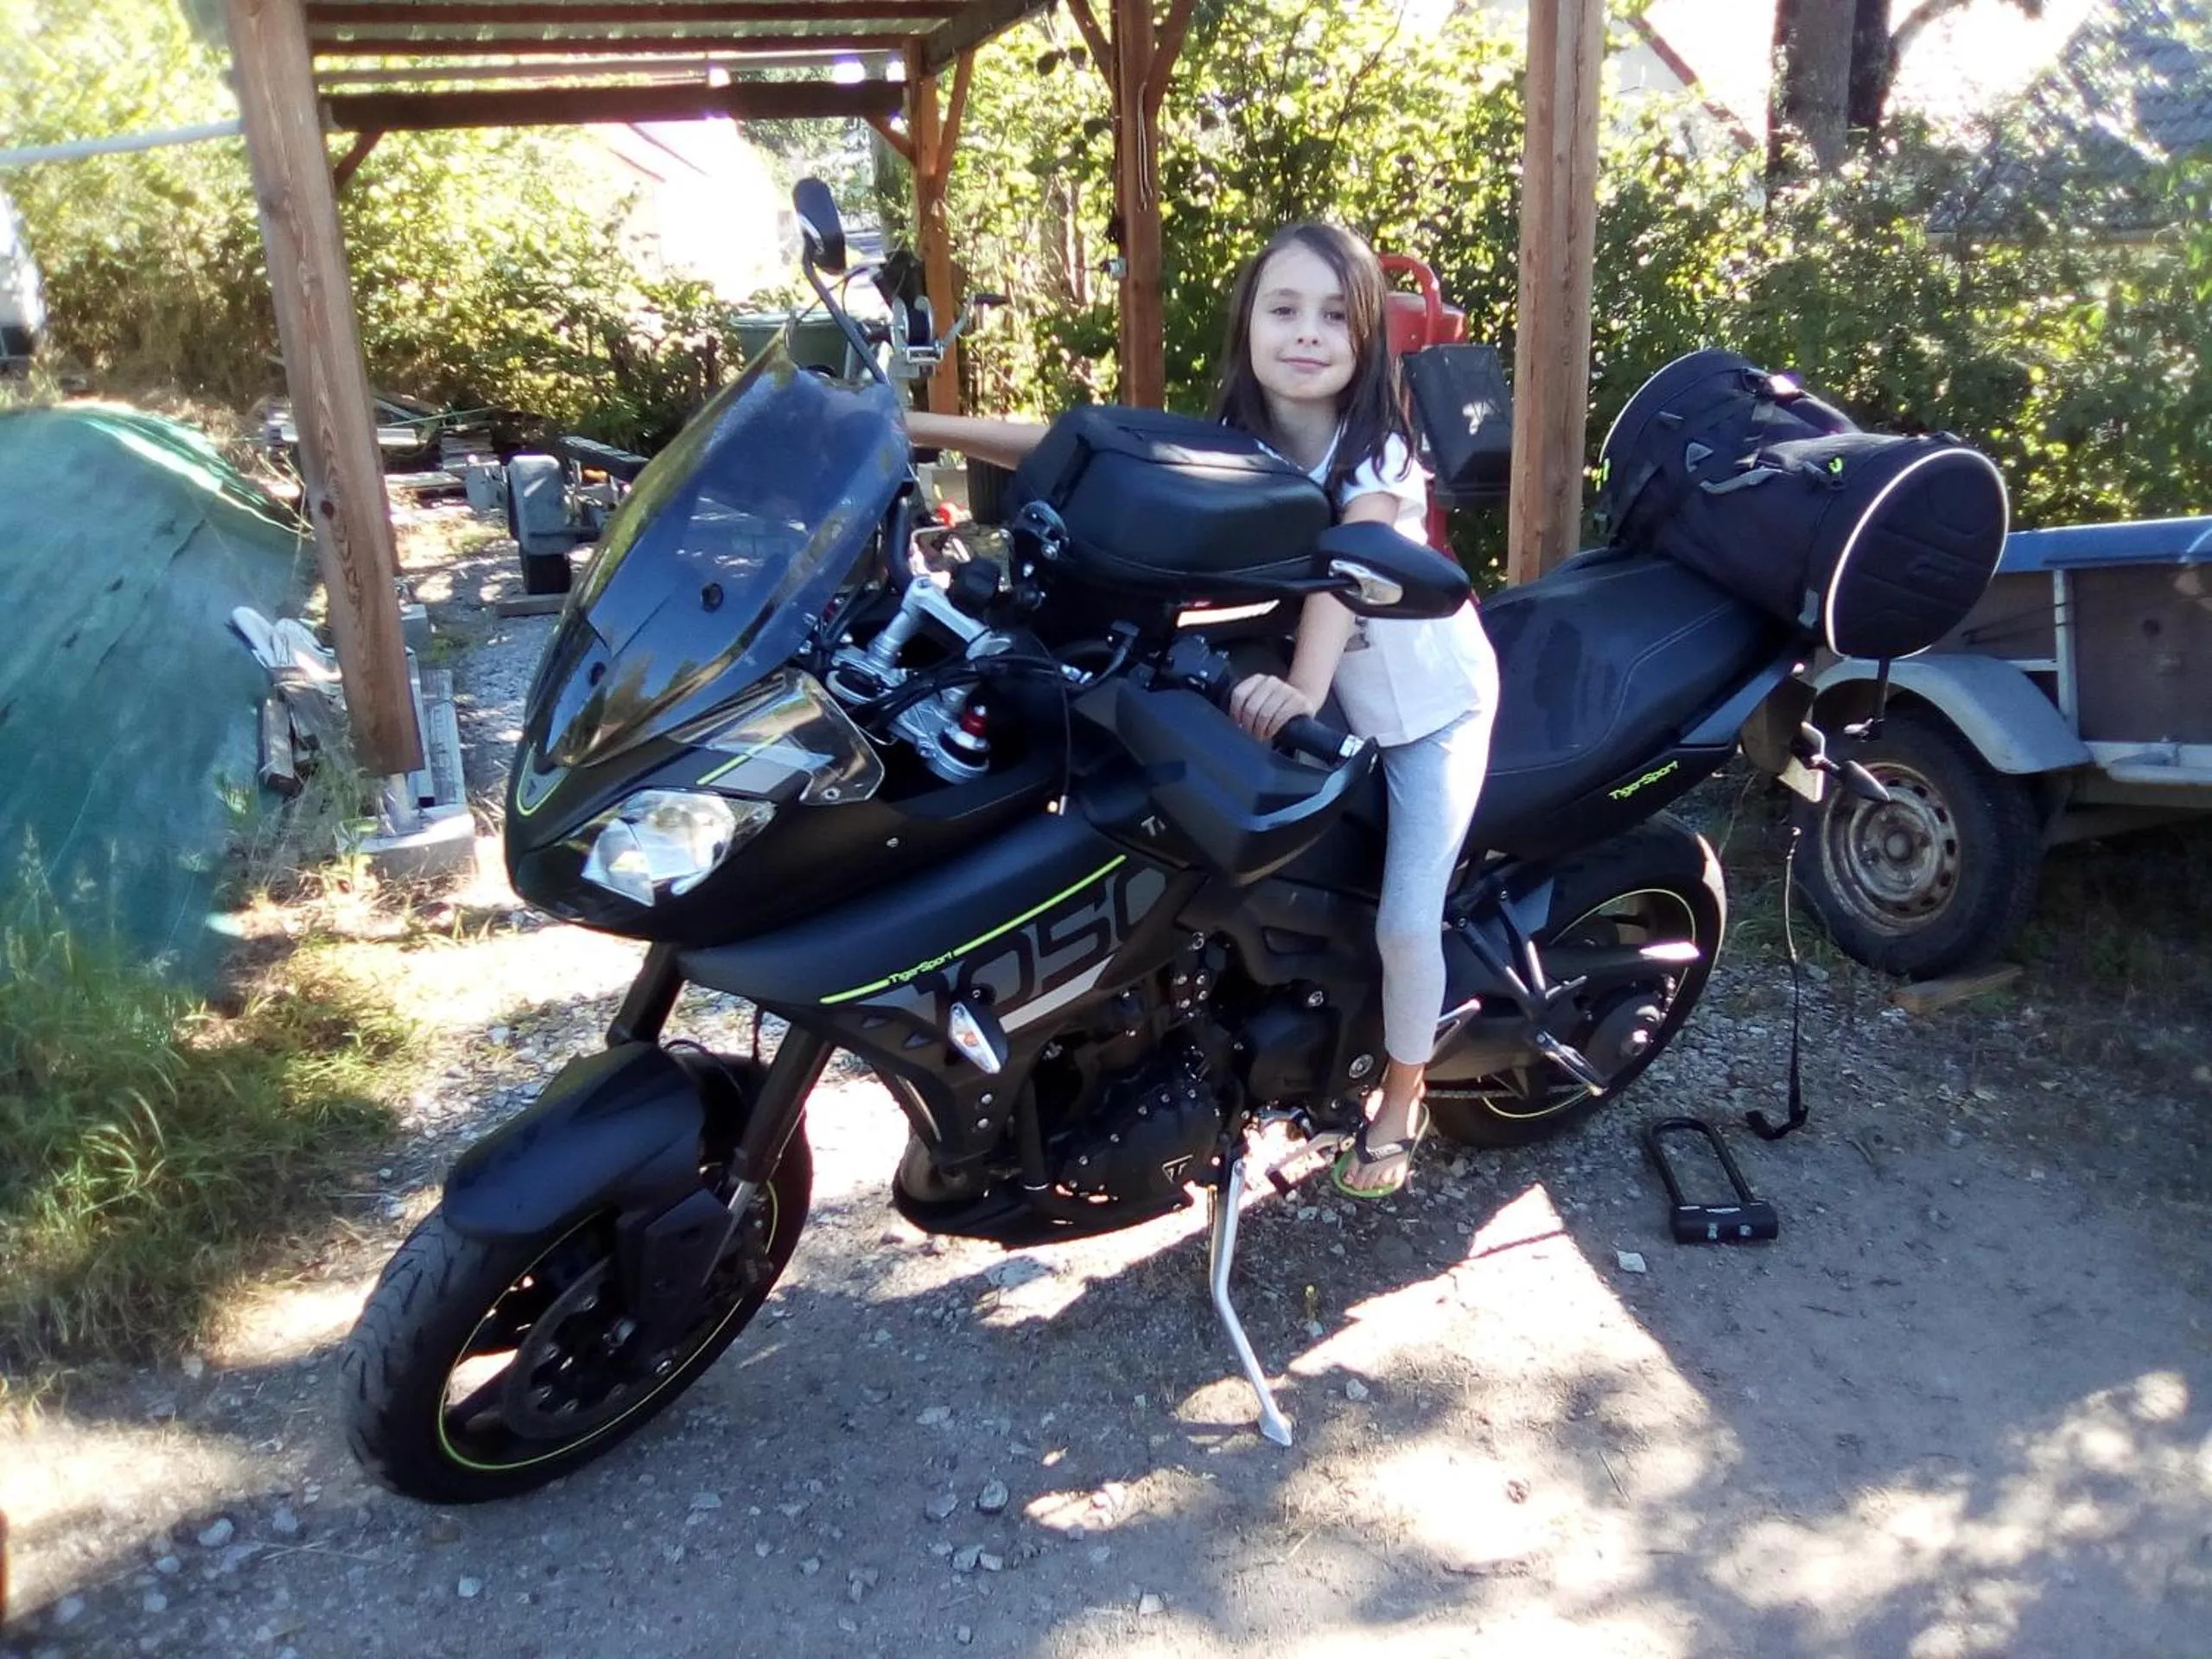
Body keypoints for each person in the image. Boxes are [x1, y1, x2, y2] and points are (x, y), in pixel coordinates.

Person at [909, 223, 1498, 1200]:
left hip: (1427, 708)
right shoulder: (1238, 440)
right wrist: (917, 430)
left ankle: (1401, 1099)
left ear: (1364, 341)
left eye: (1332, 317)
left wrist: (1303, 692)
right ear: (1248, 325)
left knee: (1405, 920)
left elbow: (1345, 568)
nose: (1306, 334)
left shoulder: (1381, 452)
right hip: (1322, 688)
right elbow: (1084, 446)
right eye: (1283, 309)